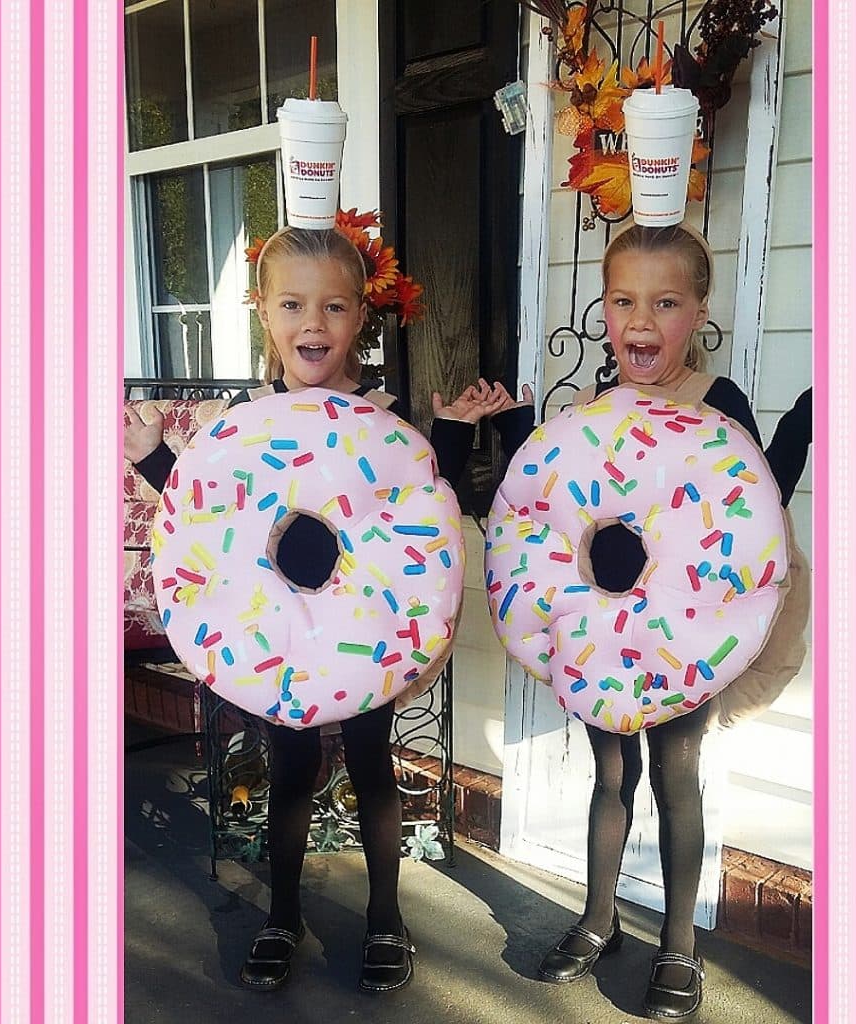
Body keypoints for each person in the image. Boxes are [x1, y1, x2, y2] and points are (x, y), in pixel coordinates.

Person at [124, 226, 506, 994]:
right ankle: (283, 915)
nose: (313, 323)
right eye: (293, 304)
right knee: (290, 771)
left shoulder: (383, 409)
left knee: (371, 768)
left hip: (362, 631)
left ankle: (386, 917)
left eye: (333, 307)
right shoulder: (245, 415)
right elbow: (214, 518)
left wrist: (458, 437)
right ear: (263, 312)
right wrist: (156, 461)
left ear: (360, 317)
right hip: (276, 629)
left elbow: (419, 512)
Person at [488, 222, 810, 1020]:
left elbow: (754, 510)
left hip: (685, 635)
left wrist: (802, 425)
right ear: (604, 307)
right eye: (624, 299)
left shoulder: (718, 403)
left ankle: (678, 946)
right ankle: (599, 920)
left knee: (676, 778)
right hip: (603, 627)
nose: (640, 321)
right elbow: (546, 509)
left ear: (698, 311)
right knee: (608, 775)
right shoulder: (596, 408)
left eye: (664, 302)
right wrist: (508, 429)